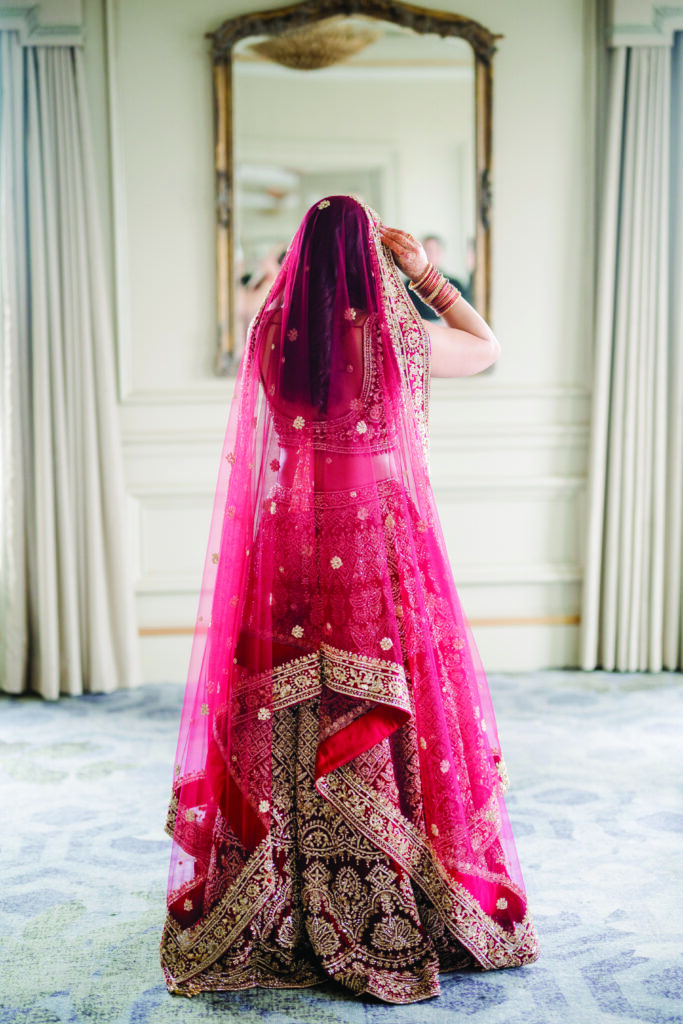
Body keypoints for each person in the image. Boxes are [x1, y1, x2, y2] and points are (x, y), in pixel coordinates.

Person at [160, 194, 539, 1003]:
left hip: (289, 537)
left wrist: (277, 287)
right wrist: (426, 275)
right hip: (377, 541)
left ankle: (284, 898)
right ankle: (392, 890)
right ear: (370, 256)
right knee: (391, 701)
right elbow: (486, 346)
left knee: (287, 710)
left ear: (299, 258)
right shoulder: (398, 333)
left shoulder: (269, 334)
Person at [405, 234, 472, 319]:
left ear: (441, 253)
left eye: (435, 251)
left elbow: (463, 315)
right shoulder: (409, 285)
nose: (431, 254)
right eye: (427, 250)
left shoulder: (456, 284)